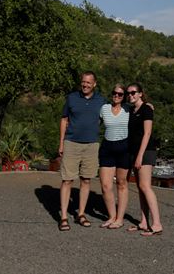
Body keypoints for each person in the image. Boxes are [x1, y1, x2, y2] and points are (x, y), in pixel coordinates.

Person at [58, 71, 106, 231]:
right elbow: (64, 119)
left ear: (94, 84)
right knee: (67, 180)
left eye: (88, 82)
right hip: (71, 143)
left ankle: (81, 214)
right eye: (83, 82)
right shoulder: (71, 98)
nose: (85, 85)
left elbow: (117, 109)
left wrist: (146, 104)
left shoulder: (101, 101)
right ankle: (64, 217)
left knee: (86, 180)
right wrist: (61, 143)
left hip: (91, 145)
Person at [126, 82, 163, 236]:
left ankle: (157, 224)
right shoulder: (132, 110)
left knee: (145, 186)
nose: (131, 95)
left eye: (134, 92)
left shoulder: (146, 109)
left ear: (141, 93)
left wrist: (140, 155)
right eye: (129, 93)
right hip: (135, 151)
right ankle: (143, 221)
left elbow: (147, 133)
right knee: (141, 188)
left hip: (146, 151)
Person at [98, 83, 130, 229]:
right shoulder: (104, 108)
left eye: (120, 94)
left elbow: (143, 109)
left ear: (124, 97)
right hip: (107, 148)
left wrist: (149, 105)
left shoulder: (128, 109)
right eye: (114, 93)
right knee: (105, 185)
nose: (116, 96)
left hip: (124, 148)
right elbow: (95, 122)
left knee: (121, 184)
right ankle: (112, 216)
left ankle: (120, 218)